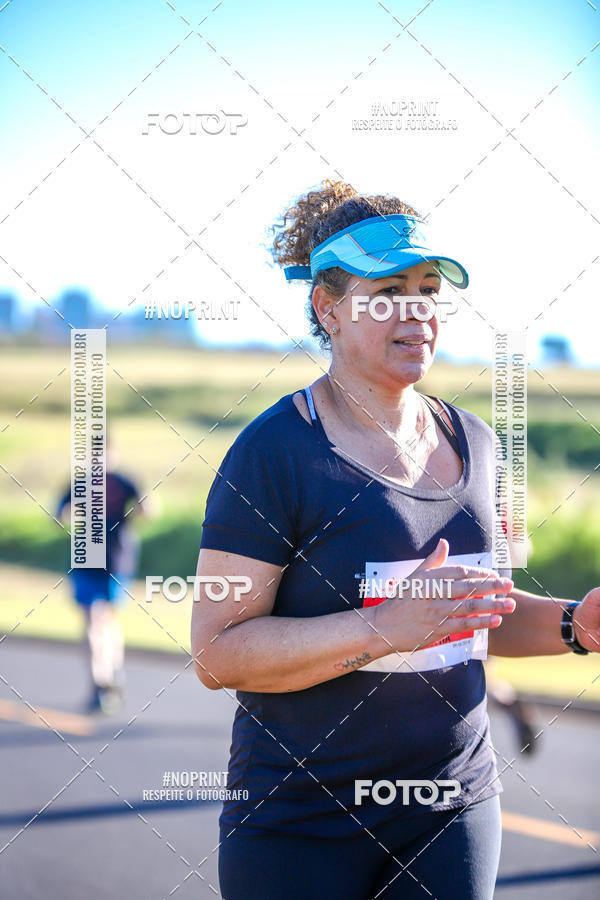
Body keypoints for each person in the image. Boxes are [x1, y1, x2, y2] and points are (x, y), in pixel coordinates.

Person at [191, 179, 600, 899]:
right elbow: (217, 653)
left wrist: (575, 624)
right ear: (329, 307)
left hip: (453, 808)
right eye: (388, 291)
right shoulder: (275, 452)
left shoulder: (476, 443)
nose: (417, 312)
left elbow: (478, 619)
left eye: (429, 288)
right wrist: (383, 627)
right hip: (299, 820)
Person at [58, 442, 145, 714]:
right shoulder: (80, 482)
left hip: (117, 561)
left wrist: (134, 514)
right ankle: (99, 682)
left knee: (107, 619)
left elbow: (150, 508)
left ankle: (112, 673)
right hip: (86, 561)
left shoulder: (124, 482)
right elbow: (60, 513)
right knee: (92, 619)